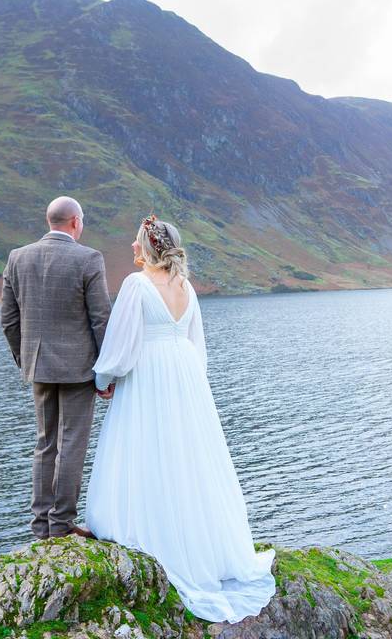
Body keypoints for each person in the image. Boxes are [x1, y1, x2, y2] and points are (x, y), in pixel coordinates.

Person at [85, 214, 276, 623]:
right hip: (186, 377)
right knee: (188, 457)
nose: (132, 246)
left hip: (148, 374)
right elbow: (196, 344)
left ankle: (155, 534)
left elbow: (121, 344)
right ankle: (203, 543)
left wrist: (103, 379)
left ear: (149, 246)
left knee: (147, 448)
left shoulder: (137, 285)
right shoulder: (185, 286)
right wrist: (192, 386)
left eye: (137, 241)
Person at [0, 196, 114, 540]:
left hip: (38, 367)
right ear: (76, 222)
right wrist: (106, 372)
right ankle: (62, 523)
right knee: (72, 444)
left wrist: (27, 360)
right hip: (79, 370)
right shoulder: (89, 258)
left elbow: (8, 320)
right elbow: (101, 319)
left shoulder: (17, 257)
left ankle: (40, 526)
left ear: (49, 221)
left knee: (45, 443)